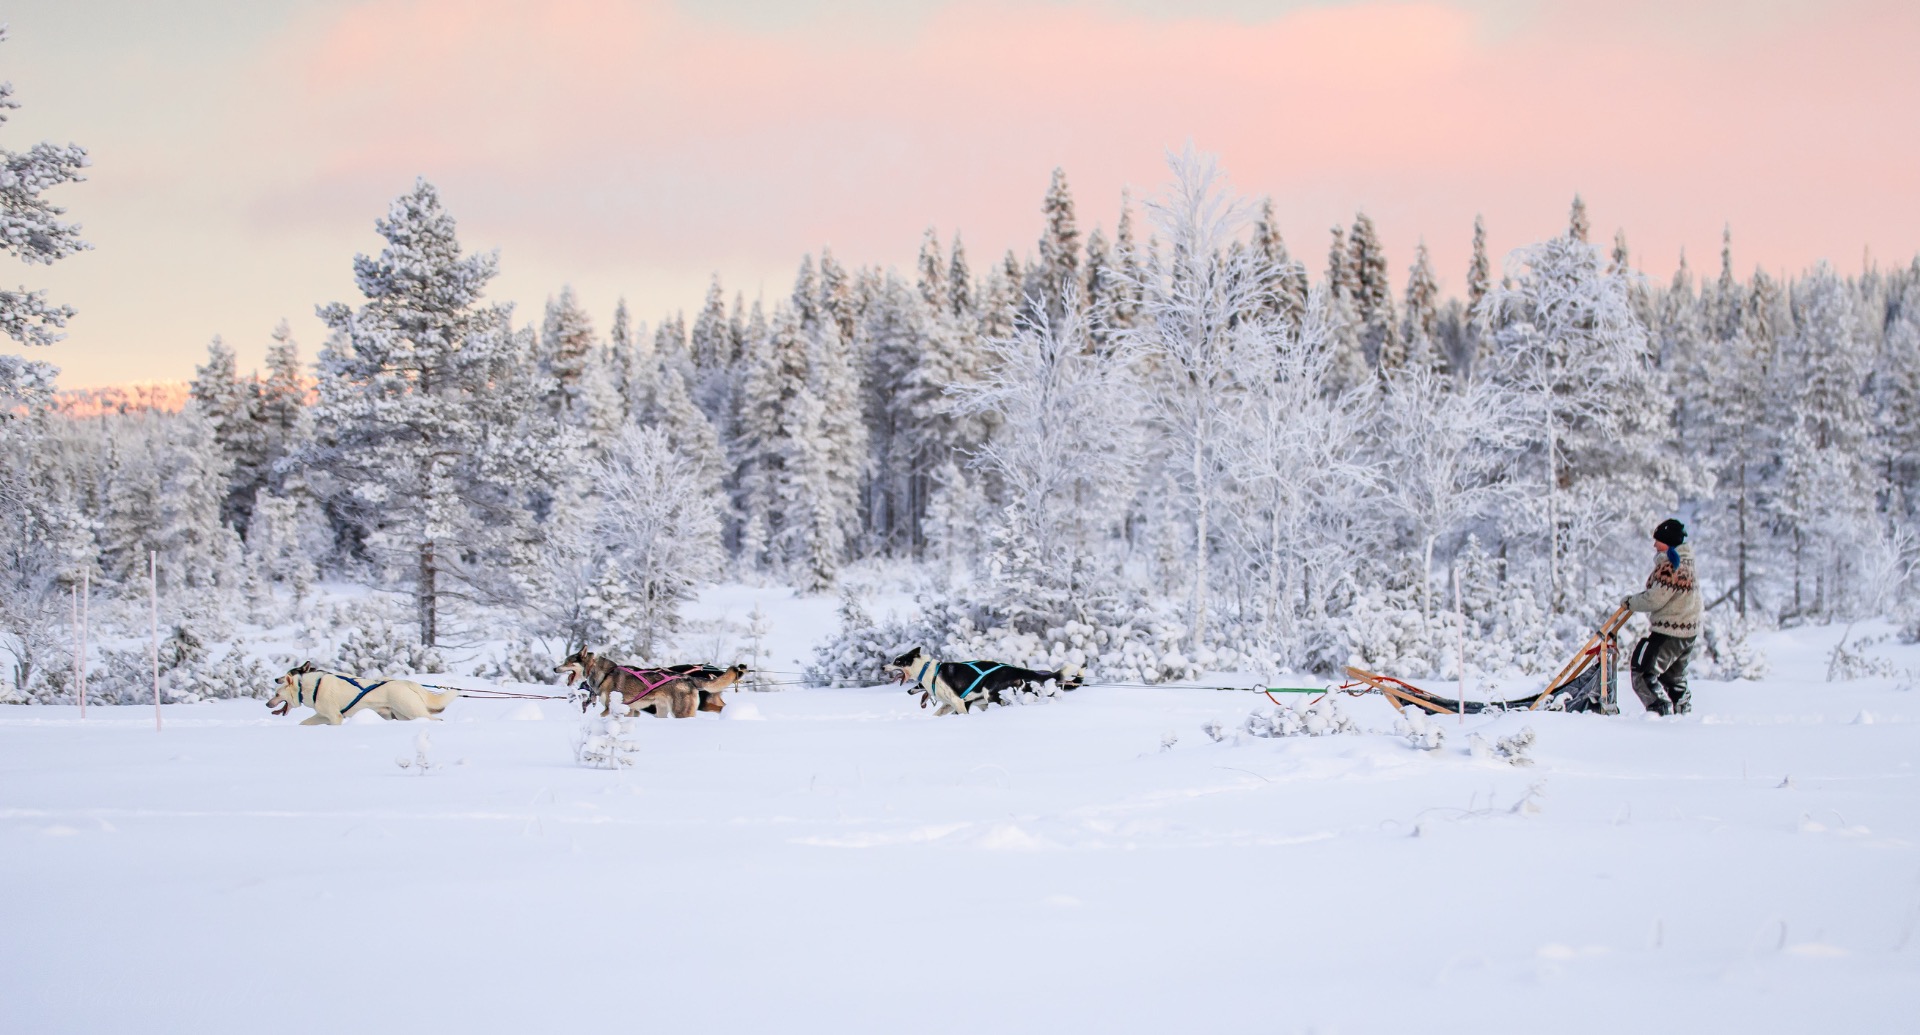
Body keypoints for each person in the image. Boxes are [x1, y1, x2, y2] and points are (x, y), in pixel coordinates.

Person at [1624, 518, 1701, 715]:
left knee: (1642, 672)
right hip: (1687, 632)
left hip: (1669, 631)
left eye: (1657, 540)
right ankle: (1683, 710)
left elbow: (1654, 600)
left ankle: (1660, 711)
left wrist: (1630, 602)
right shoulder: (1687, 563)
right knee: (1672, 676)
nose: (1654, 545)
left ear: (1667, 542)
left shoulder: (1671, 567)